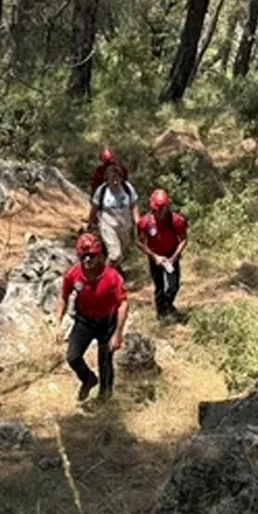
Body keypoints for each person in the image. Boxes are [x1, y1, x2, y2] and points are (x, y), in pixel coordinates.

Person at [54, 233, 128, 402]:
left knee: (105, 362)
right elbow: (63, 297)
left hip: (107, 322)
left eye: (92, 256)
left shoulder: (111, 276)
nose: (88, 260)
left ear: (99, 255)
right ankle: (87, 379)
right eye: (83, 256)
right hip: (84, 321)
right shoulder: (72, 274)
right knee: (73, 356)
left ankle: (105, 398)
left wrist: (118, 333)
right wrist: (57, 323)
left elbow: (123, 303)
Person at [135, 189, 188, 319]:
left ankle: (168, 305)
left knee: (173, 285)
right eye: (157, 209)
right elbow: (139, 241)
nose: (160, 212)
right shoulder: (145, 222)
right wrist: (154, 256)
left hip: (171, 254)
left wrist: (174, 257)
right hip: (155, 255)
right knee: (159, 286)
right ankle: (161, 314)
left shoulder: (176, 220)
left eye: (162, 209)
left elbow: (184, 239)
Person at [87, 164, 139, 269]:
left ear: (121, 178)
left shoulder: (127, 188)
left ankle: (114, 274)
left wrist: (138, 221)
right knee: (115, 254)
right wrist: (91, 223)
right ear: (107, 179)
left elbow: (133, 205)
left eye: (117, 179)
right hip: (108, 226)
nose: (115, 182)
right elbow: (94, 208)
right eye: (112, 179)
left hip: (125, 226)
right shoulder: (102, 191)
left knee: (121, 254)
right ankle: (104, 278)